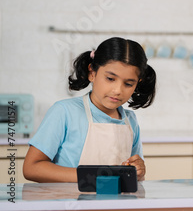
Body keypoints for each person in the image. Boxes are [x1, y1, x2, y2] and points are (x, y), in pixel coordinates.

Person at [23, 37, 156, 183]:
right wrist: (92, 177)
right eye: (110, 79)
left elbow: (134, 176)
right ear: (92, 73)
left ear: (137, 83)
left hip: (114, 205)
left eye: (128, 84)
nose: (118, 90)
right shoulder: (64, 112)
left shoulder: (130, 121)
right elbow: (31, 168)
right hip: (69, 203)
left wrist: (138, 171)